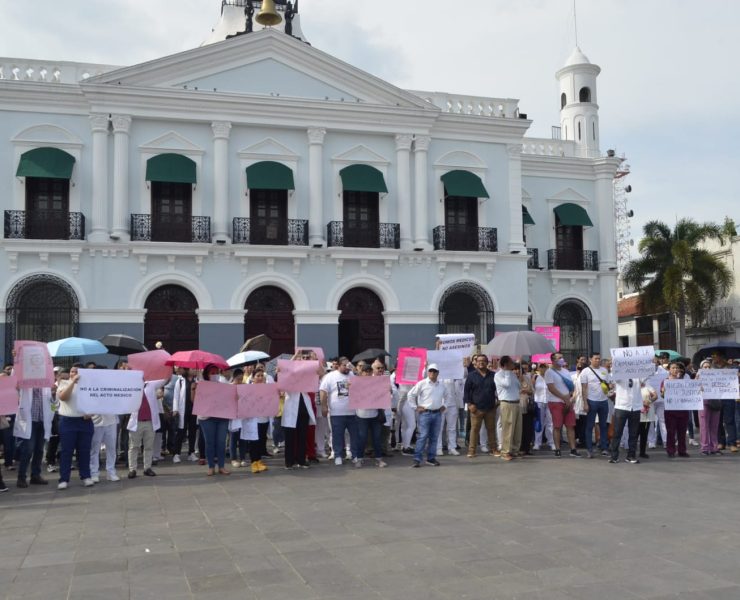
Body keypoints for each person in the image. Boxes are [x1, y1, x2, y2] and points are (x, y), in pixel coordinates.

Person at [55, 363, 95, 489]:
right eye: (72, 371)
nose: (74, 373)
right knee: (66, 451)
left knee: (84, 451)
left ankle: (86, 476)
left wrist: (91, 412)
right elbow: (63, 397)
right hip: (68, 421)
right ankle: (64, 479)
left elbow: (97, 402)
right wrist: (72, 382)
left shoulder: (89, 386)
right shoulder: (64, 383)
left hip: (85, 422)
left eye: (77, 371)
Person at [281, 351, 319, 470]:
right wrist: (294, 358)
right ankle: (289, 461)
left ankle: (302, 460)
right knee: (290, 437)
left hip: (304, 409)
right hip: (291, 409)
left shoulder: (307, 376)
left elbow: (320, 372)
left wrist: (313, 360)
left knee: (302, 436)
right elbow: (284, 370)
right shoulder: (287, 377)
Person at [407, 364, 448, 467]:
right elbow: (411, 394)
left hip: (437, 413)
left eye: (434, 371)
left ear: (438, 373)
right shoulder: (422, 383)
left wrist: (445, 405)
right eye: (430, 371)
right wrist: (415, 407)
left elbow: (448, 396)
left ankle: (431, 458)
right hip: (425, 413)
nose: (432, 373)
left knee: (434, 437)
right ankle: (417, 459)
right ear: (427, 372)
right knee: (423, 436)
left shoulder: (442, 385)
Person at [14, 383, 53, 488]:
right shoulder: (25, 382)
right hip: (30, 422)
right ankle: (21, 478)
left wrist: (52, 414)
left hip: (43, 421)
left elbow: (51, 402)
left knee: (39, 450)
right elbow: (15, 393)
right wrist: (17, 386)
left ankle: (36, 475)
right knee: (27, 451)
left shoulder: (46, 385)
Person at [320, 357, 357, 466]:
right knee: (337, 435)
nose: (346, 367)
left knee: (354, 435)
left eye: (348, 365)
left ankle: (355, 455)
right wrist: (324, 406)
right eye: (344, 365)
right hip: (337, 412)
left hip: (352, 412)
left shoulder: (352, 375)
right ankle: (338, 455)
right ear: (339, 365)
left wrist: (354, 369)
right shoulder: (330, 376)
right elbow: (323, 391)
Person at [195, 364, 230, 476]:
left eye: (216, 373)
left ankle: (221, 466)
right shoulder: (201, 385)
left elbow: (229, 399)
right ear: (206, 374)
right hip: (207, 418)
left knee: (221, 442)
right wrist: (194, 390)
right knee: (209, 442)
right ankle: (211, 466)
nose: (214, 375)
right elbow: (194, 401)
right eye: (212, 373)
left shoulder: (224, 385)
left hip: (222, 418)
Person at [544, 352, 580, 457]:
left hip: (568, 402)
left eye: (562, 357)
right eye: (559, 358)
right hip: (555, 402)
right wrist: (563, 397)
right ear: (553, 360)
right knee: (557, 426)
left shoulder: (565, 371)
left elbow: (570, 386)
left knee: (570, 425)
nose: (562, 359)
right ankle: (557, 449)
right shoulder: (549, 372)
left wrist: (570, 397)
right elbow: (551, 388)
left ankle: (573, 449)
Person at [463, 354, 499, 458]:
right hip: (476, 408)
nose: (481, 362)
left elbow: (498, 389)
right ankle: (471, 451)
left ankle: (493, 449)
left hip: (490, 407)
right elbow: (466, 392)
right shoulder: (471, 375)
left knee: (491, 429)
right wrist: (469, 404)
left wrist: (498, 402)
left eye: (483, 361)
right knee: (474, 430)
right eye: (479, 361)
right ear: (476, 363)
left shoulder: (493, 375)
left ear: (487, 362)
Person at [127, 379, 163, 479]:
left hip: (150, 422)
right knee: (134, 447)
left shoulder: (151, 384)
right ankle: (132, 469)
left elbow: (166, 380)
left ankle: (147, 468)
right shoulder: (131, 385)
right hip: (136, 422)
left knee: (149, 446)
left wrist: (169, 366)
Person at [354, 363, 388, 468]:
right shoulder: (356, 383)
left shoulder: (377, 383)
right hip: (361, 416)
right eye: (365, 372)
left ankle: (379, 459)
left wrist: (387, 390)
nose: (368, 373)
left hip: (375, 415)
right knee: (362, 438)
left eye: (369, 371)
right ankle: (359, 459)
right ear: (361, 373)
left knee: (377, 438)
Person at [609, 378, 650, 464]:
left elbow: (649, 373)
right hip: (621, 406)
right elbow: (612, 380)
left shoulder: (639, 375)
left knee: (633, 434)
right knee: (617, 432)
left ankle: (631, 456)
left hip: (635, 407)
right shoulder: (619, 374)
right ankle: (614, 456)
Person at [579, 352, 611, 458]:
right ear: (590, 359)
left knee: (603, 425)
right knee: (590, 426)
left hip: (603, 401)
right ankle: (589, 449)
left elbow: (608, 384)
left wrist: (610, 386)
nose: (598, 360)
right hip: (591, 401)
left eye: (599, 359)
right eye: (596, 358)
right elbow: (584, 388)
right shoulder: (585, 371)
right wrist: (585, 403)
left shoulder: (604, 370)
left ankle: (604, 447)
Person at [494, 356, 521, 461]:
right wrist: (507, 372)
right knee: (508, 429)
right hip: (507, 403)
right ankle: (505, 451)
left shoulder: (513, 374)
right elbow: (507, 384)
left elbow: (518, 386)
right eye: (511, 362)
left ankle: (514, 450)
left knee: (517, 429)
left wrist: (519, 377)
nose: (513, 364)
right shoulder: (498, 375)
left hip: (516, 403)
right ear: (505, 364)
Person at [662, 361, 691, 458]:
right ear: (669, 370)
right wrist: (663, 392)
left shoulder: (684, 381)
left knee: (682, 431)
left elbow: (691, 393)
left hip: (683, 410)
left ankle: (682, 450)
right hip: (670, 410)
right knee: (670, 431)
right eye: (673, 368)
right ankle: (671, 450)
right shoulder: (665, 381)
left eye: (677, 368)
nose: (675, 370)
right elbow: (662, 395)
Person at [172, 367, 198, 463]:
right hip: (183, 410)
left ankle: (191, 453)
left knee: (192, 432)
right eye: (193, 369)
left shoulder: (197, 381)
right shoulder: (180, 381)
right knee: (180, 432)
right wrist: (175, 409)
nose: (194, 370)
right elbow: (176, 396)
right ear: (187, 370)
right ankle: (176, 454)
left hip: (194, 410)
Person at [696, 360, 722, 455]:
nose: (707, 368)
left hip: (715, 402)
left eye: (709, 367)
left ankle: (714, 447)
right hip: (703, 403)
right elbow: (693, 390)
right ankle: (705, 447)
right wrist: (697, 383)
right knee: (704, 426)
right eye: (705, 367)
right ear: (701, 368)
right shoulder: (698, 377)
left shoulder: (716, 376)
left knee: (714, 426)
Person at [532, 363, 554, 451]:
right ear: (538, 368)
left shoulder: (551, 377)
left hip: (549, 400)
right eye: (541, 367)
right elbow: (532, 388)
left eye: (544, 367)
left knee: (550, 423)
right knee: (539, 422)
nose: (543, 369)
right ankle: (537, 442)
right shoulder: (535, 377)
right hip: (539, 401)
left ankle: (551, 442)